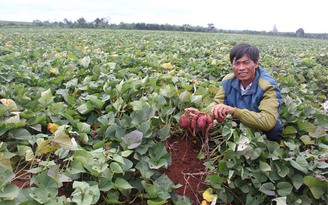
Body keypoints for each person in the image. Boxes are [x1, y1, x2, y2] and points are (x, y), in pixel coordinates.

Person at [188, 43, 283, 143]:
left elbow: (267, 121)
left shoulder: (268, 86)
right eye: (237, 63)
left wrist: (234, 111)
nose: (241, 68)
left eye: (246, 62)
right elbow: (217, 103)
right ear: (232, 65)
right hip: (237, 121)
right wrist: (201, 113)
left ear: (256, 64)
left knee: (274, 129)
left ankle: (268, 156)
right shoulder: (229, 81)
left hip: (259, 126)